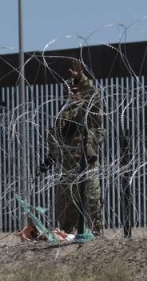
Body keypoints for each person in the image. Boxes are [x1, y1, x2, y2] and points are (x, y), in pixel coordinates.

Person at [39, 60, 106, 235]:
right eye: (70, 91)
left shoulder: (87, 109)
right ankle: (66, 237)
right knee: (65, 210)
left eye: (76, 91)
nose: (73, 94)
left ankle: (97, 235)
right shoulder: (60, 115)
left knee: (92, 203)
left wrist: (81, 80)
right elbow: (55, 140)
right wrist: (49, 160)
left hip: (85, 164)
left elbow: (94, 99)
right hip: (66, 166)